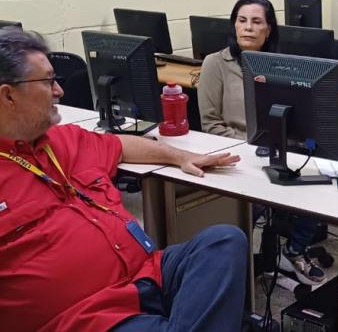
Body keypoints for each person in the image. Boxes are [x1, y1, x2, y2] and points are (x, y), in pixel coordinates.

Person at [0, 29, 247, 332]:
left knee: (224, 240)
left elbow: (121, 145)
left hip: (147, 273)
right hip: (88, 316)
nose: (59, 91)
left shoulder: (62, 140)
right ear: (8, 94)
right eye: (48, 81)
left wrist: (178, 157)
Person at [198, 0, 326, 285]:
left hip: (279, 149)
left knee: (319, 186)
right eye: (242, 21)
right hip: (236, 154)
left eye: (257, 22)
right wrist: (252, 148)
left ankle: (294, 250)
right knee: (256, 204)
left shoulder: (282, 65)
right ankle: (248, 263)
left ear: (269, 29)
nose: (248, 28)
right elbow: (210, 124)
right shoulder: (215, 64)